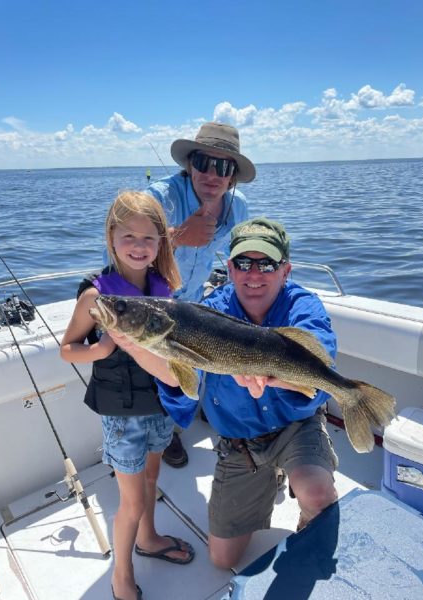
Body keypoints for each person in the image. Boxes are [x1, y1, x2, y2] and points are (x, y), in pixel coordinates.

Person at [159, 217, 339, 569]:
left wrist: (278, 378)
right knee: (222, 560)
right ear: (229, 268)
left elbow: (320, 356)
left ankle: (307, 524)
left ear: (285, 270)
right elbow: (185, 382)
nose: (254, 274)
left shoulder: (303, 305)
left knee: (317, 494)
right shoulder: (209, 312)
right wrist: (134, 346)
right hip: (241, 441)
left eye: (267, 264)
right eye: (243, 263)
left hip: (296, 426)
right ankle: (269, 477)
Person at [60, 191, 194, 600]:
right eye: (128, 237)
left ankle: (148, 539)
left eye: (148, 238)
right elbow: (68, 349)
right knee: (131, 503)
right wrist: (100, 349)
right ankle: (121, 577)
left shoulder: (163, 288)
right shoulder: (96, 296)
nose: (138, 246)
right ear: (111, 238)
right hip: (122, 414)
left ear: (161, 243)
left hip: (157, 403)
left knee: (152, 478)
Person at [147, 121, 256, 467]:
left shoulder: (238, 208)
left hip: (195, 302)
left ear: (233, 176)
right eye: (202, 162)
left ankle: (212, 409)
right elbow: (116, 256)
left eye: (222, 167)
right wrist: (178, 235)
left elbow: (242, 253)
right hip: (152, 306)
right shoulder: (157, 200)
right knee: (159, 372)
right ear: (189, 164)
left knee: (218, 354)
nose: (212, 174)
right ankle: (165, 433)